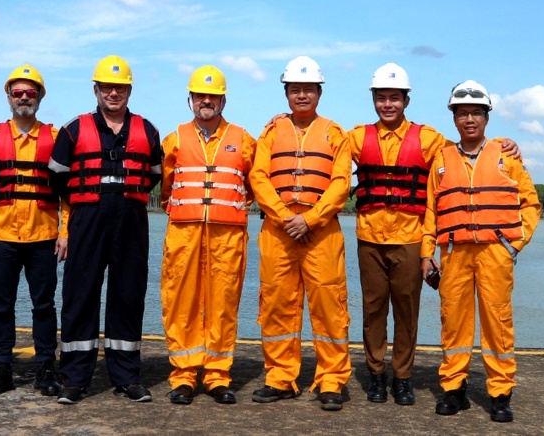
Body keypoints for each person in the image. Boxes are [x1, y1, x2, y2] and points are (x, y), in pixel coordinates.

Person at [348, 63, 521, 406]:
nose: (387, 104)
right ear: (373, 100)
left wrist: (503, 143)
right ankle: (376, 375)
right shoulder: (355, 137)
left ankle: (402, 378)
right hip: (370, 236)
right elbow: (327, 149)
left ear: (406, 100)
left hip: (411, 238)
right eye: (381, 97)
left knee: (407, 313)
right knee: (373, 311)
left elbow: (466, 149)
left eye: (394, 98)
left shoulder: (429, 139)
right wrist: (285, 118)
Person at [421, 80, 540, 423]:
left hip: (495, 253)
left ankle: (500, 393)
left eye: (476, 113)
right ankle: (453, 389)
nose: (469, 119)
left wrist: (513, 244)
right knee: (453, 322)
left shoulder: (507, 156)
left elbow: (531, 205)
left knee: (497, 322)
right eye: (462, 113)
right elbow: (431, 212)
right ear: (454, 118)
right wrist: (426, 253)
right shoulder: (442, 160)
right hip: (454, 253)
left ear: (487, 117)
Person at [47, 55, 162, 405]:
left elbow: (153, 175)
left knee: (128, 295)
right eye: (107, 87)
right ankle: (74, 378)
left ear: (129, 91)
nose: (114, 93)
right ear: (96, 90)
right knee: (80, 293)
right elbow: (57, 176)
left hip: (131, 218)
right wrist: (86, 201)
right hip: (88, 217)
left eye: (120, 87)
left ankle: (127, 376)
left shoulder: (148, 130)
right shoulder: (74, 129)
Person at [249, 56, 352, 412]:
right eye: (296, 89)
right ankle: (279, 377)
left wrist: (310, 219)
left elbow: (341, 183)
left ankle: (332, 380)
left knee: (329, 306)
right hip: (278, 231)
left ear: (319, 92)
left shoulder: (335, 133)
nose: (302, 95)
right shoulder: (271, 132)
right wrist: (284, 217)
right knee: (277, 303)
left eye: (309, 89)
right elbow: (258, 177)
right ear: (286, 93)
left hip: (321, 232)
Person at [159, 66, 256, 406]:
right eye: (200, 95)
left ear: (223, 100)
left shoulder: (244, 139)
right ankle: (184, 375)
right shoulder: (174, 138)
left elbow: (254, 184)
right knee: (180, 302)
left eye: (212, 96)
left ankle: (217, 375)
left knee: (223, 305)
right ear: (190, 99)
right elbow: (166, 186)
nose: (206, 101)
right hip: (184, 233)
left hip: (227, 236)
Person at [0, 65, 67, 398]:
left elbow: (67, 192)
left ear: (40, 97)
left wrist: (65, 232)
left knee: (44, 305)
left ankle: (46, 367)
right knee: (1, 304)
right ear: (9, 97)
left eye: (30, 93)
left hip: (43, 236)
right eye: (18, 93)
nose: (24, 98)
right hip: (1, 236)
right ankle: (1, 368)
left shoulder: (56, 139)